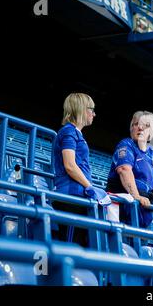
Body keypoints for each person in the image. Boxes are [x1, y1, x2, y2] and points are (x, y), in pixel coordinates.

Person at [52, 92, 110, 246]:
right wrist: (89, 186)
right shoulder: (69, 131)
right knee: (72, 246)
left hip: (78, 196)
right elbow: (70, 165)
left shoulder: (75, 133)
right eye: (91, 109)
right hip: (71, 197)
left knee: (81, 245)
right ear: (82, 109)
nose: (94, 114)